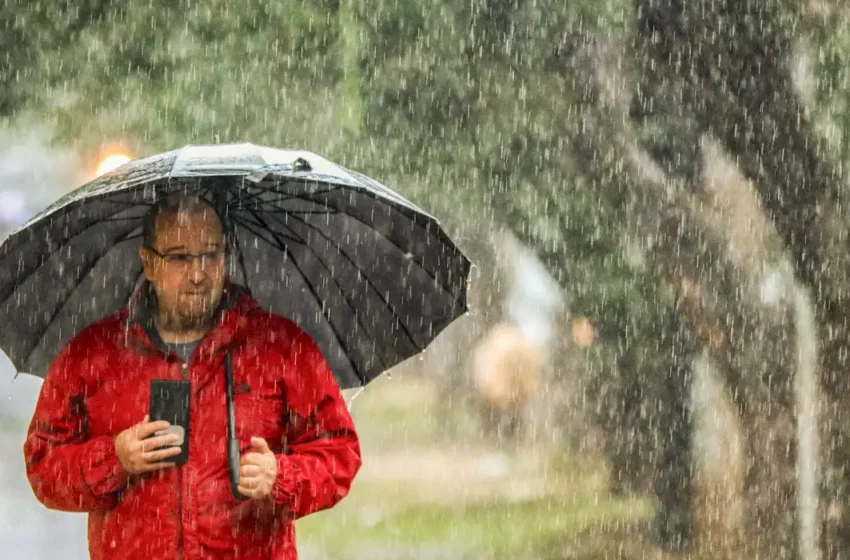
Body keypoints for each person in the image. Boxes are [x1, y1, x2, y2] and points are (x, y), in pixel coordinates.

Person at [23, 194, 362, 559]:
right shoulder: (92, 354)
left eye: (211, 255)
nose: (198, 274)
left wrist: (281, 476)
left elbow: (339, 451)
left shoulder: (279, 346)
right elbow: (44, 465)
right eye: (179, 257)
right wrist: (114, 458)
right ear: (149, 263)